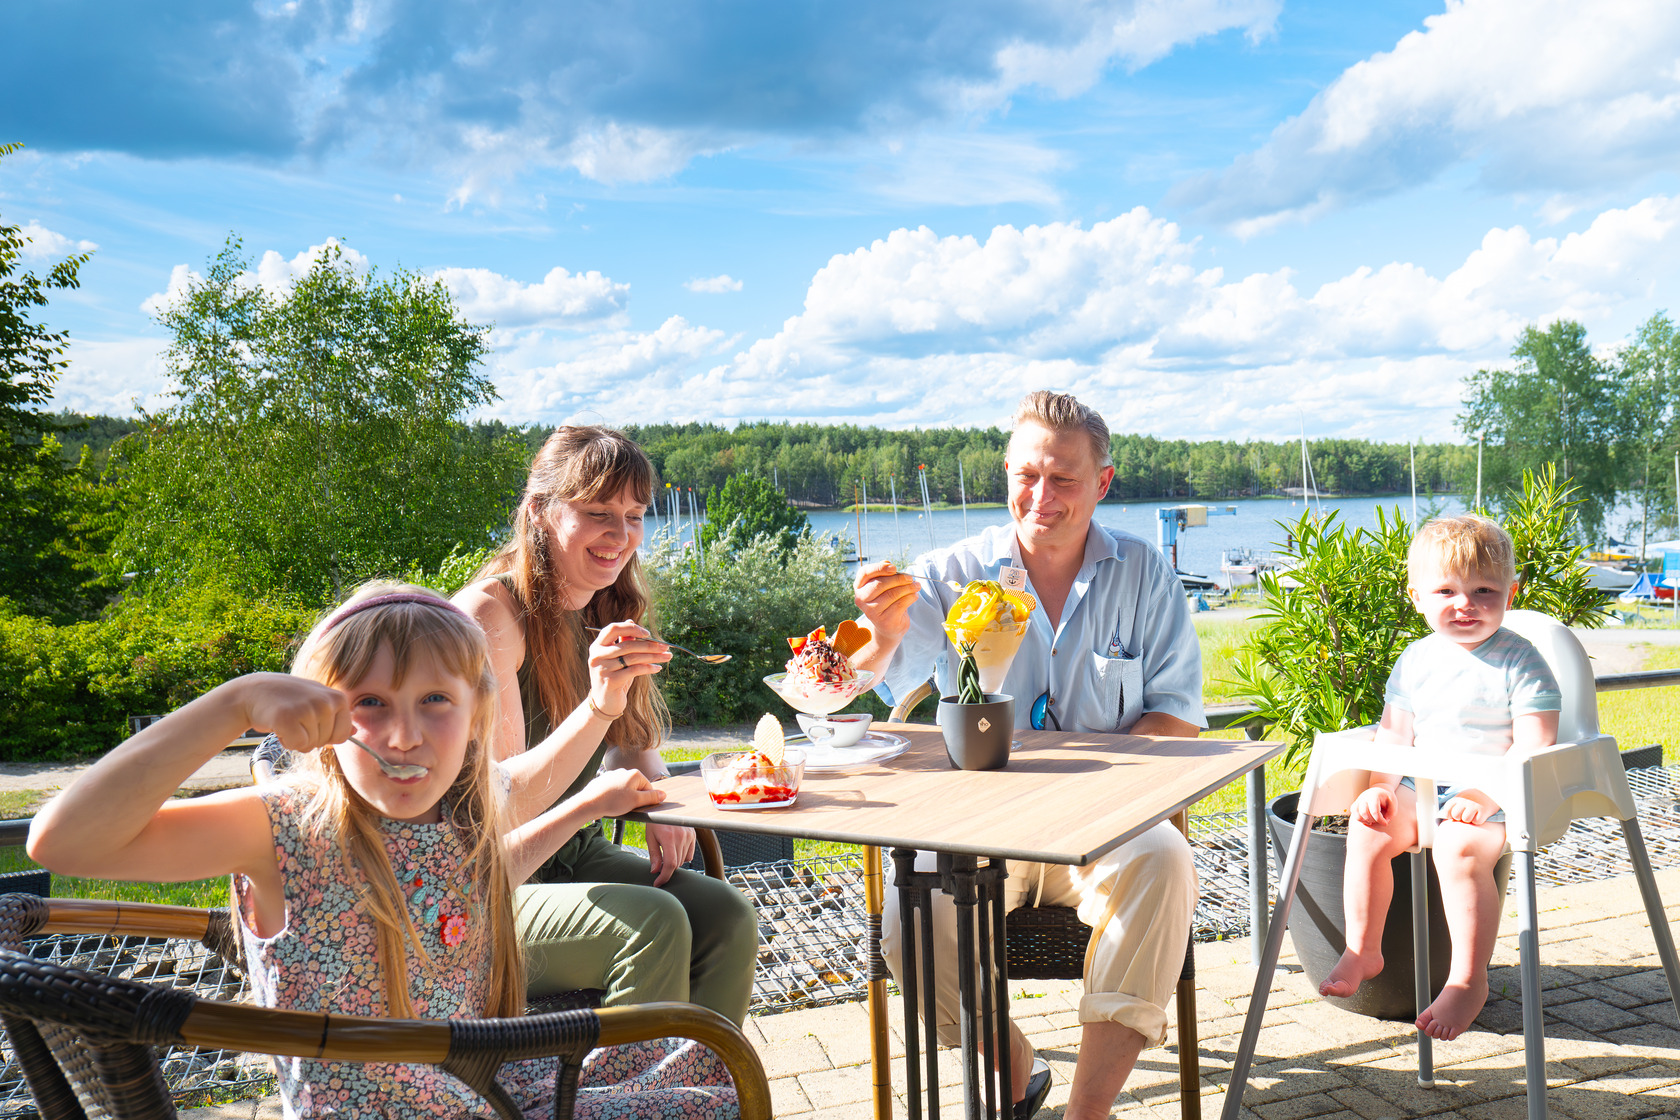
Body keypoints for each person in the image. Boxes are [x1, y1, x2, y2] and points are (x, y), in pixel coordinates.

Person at [26, 583, 740, 1118]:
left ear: (476, 715)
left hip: (478, 1084)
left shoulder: (455, 806)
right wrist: (234, 704)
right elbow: (62, 839)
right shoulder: (289, 825)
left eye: (434, 701)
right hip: (433, 1101)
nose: (403, 737)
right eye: (370, 703)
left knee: (699, 1071)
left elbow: (483, 871)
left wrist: (596, 751)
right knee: (701, 1095)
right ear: (319, 711)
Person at [852, 390, 1204, 1120]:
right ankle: (1010, 1065)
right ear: (1006, 473)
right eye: (1026, 476)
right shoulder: (950, 571)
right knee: (910, 916)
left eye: (1063, 479)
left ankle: (1087, 1111)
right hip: (980, 826)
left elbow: (1177, 716)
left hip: (1106, 824)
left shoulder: (1144, 572)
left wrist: (1082, 792)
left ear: (1103, 483)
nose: (1041, 496)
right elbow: (877, 676)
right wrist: (880, 633)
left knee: (1166, 860)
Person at [455, 425, 757, 1026]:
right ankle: (632, 1082)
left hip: (571, 853)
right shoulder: (491, 616)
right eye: (598, 513)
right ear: (540, 512)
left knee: (726, 915)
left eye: (635, 516)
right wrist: (598, 707)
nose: (621, 536)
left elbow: (630, 740)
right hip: (480, 884)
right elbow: (506, 806)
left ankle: (704, 1080)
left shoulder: (601, 606)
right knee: (654, 923)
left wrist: (657, 793)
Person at [1318, 514, 1560, 1041]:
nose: (1464, 603)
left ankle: (1468, 979)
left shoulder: (1520, 660)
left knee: (1457, 849)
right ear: (1417, 598)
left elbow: (1536, 741)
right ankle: (1363, 948)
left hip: (1498, 792)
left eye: (1483, 590)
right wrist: (1381, 786)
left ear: (1510, 593)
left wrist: (1486, 792)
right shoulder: (1416, 660)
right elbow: (1395, 734)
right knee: (1368, 830)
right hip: (1419, 787)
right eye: (1446, 591)